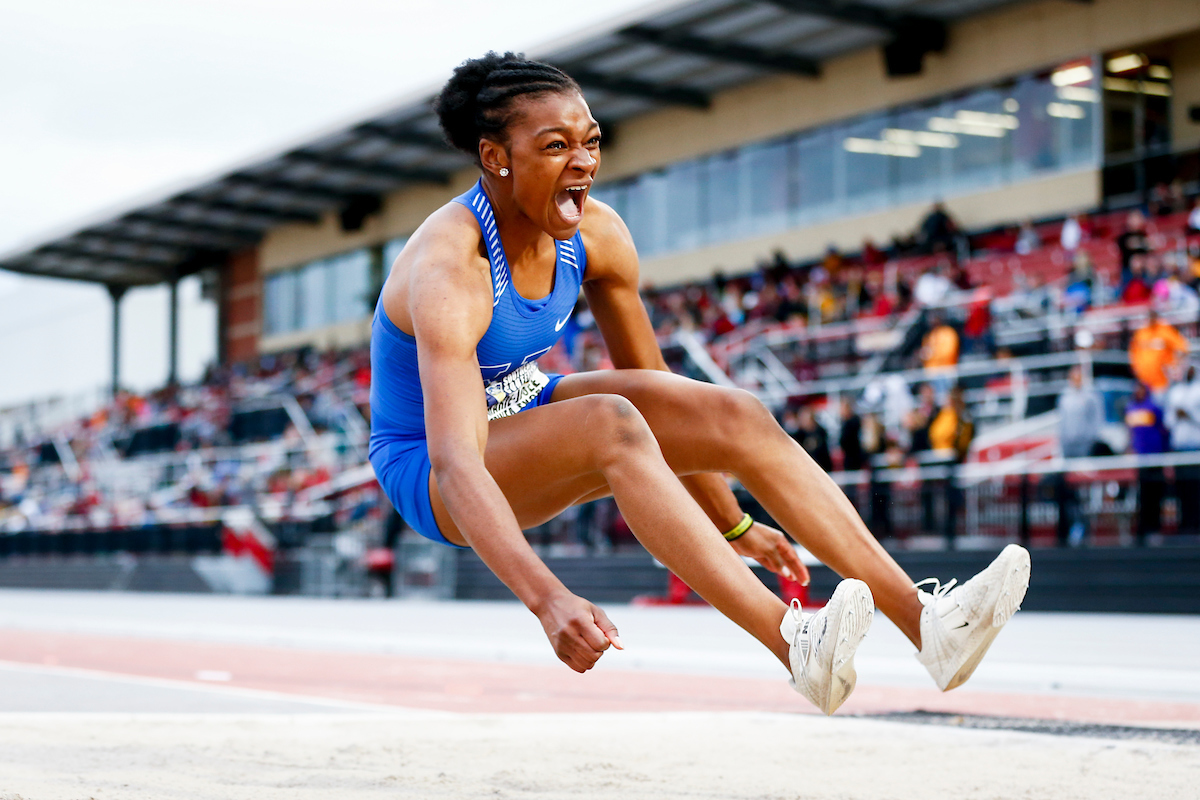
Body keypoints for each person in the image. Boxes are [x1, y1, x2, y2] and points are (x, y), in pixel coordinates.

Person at [368, 52, 1030, 715]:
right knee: (609, 420)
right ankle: (793, 642)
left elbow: (661, 396)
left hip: (524, 407)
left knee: (732, 414)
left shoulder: (596, 235)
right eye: (555, 146)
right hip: (434, 470)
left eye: (591, 141)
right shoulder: (453, 269)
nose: (583, 162)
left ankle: (929, 626)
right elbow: (458, 462)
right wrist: (547, 599)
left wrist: (736, 524)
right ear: (495, 157)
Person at [1057, 365, 1105, 546]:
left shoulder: (1091, 396)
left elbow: (1097, 422)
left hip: (1085, 448)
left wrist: (1090, 442)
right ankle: (1074, 524)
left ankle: (1086, 526)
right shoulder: (1064, 398)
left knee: (1085, 488)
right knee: (1070, 491)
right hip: (1069, 449)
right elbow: (1061, 424)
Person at [1125, 383, 1168, 543]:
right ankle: (1143, 528)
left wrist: (1165, 453)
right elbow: (1129, 433)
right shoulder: (1130, 408)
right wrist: (1129, 447)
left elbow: (1163, 431)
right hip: (1140, 459)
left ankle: (1155, 528)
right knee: (1142, 495)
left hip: (1155, 457)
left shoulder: (1154, 408)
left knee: (1155, 493)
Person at [1166, 364, 1200, 536]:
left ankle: (1196, 523)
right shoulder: (1175, 392)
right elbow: (1168, 421)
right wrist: (1177, 415)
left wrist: (1190, 416)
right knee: (1182, 488)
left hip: (1196, 447)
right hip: (1179, 446)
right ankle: (1185, 523)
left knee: (1196, 488)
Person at [1128, 308, 1189, 395]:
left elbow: (1183, 347)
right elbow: (1133, 352)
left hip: (1162, 383)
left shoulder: (1164, 330)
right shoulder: (1141, 332)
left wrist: (1176, 366)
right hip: (1144, 383)